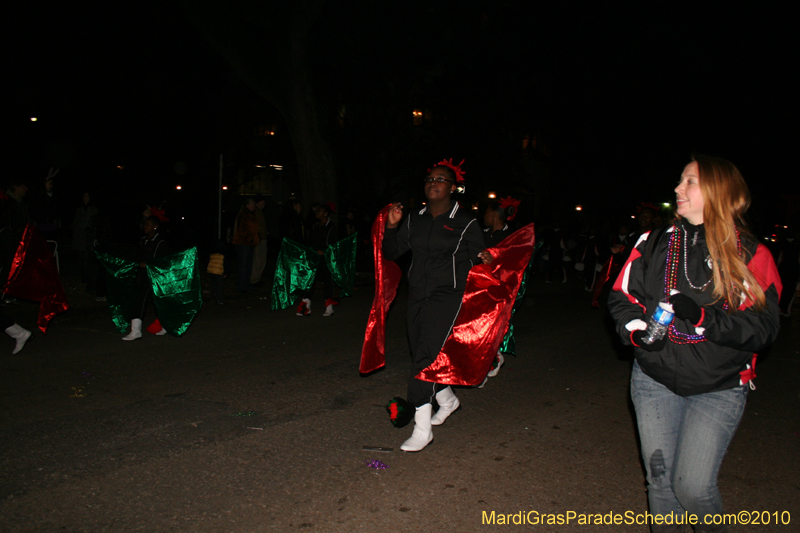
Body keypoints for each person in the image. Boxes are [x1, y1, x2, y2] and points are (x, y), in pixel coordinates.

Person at [608, 154, 781, 533]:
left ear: (719, 191)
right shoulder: (653, 242)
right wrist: (636, 329)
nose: (677, 188)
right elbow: (622, 297)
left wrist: (704, 318)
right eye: (680, 179)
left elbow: (764, 327)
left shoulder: (751, 253)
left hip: (718, 386)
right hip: (654, 380)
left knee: (693, 488)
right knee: (661, 484)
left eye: (690, 181)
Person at [382, 158, 490, 452]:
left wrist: (486, 258)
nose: (433, 183)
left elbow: (481, 258)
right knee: (422, 351)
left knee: (425, 356)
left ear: (453, 187)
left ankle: (422, 428)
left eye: (440, 179)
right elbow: (392, 252)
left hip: (448, 297)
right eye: (430, 179)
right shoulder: (414, 218)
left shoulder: (465, 221)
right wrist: (391, 226)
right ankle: (448, 400)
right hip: (417, 294)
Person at [122, 216, 169, 341]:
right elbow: (139, 256)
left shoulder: (160, 242)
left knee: (141, 299)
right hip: (143, 275)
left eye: (148, 225)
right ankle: (166, 325)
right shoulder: (143, 240)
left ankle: (136, 331)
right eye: (145, 224)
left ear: (155, 227)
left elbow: (162, 260)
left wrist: (148, 264)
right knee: (156, 302)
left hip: (154, 277)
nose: (145, 227)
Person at [296, 203, 337, 317]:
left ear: (326, 213)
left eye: (319, 211)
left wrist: (325, 251)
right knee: (310, 280)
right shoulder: (315, 225)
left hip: (326, 258)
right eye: (317, 211)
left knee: (328, 280)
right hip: (315, 257)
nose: (317, 213)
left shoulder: (332, 227)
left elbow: (334, 244)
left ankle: (329, 307)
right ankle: (305, 307)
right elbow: (311, 240)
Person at [232, 197, 259, 293]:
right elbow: (242, 230)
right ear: (247, 205)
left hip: (250, 243)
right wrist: (250, 239)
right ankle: (241, 286)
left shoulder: (251, 215)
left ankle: (247, 285)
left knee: (248, 265)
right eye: (252, 204)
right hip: (243, 243)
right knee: (243, 265)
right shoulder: (243, 215)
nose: (254, 206)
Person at [250, 195, 268, 286]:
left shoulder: (259, 212)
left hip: (262, 238)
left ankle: (257, 278)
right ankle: (254, 279)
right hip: (258, 239)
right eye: (262, 201)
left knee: (261, 260)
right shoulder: (255, 212)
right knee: (257, 260)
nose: (264, 203)